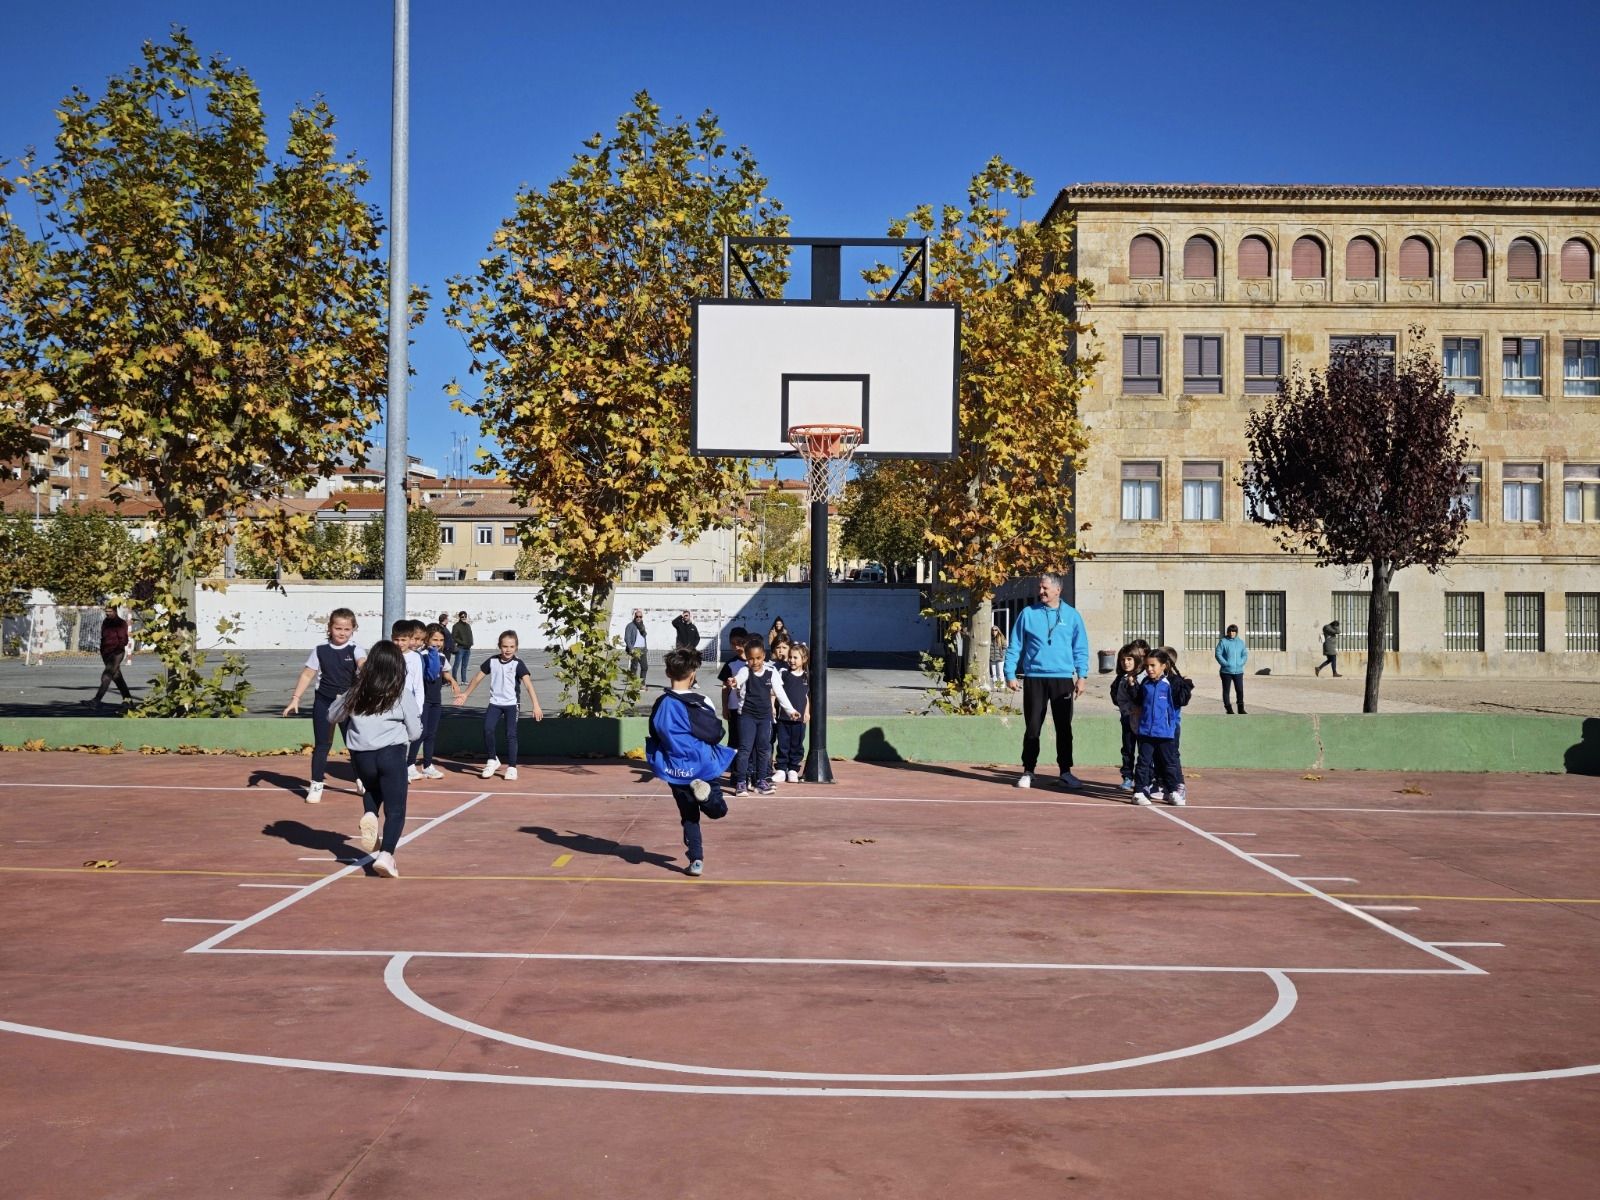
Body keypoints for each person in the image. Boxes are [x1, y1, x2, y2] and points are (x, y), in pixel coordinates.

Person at [331, 640, 421, 879]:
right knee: (396, 809)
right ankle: (386, 855)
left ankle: (370, 813)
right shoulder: (400, 693)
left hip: (362, 757)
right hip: (391, 753)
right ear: (396, 666)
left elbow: (332, 715)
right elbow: (416, 730)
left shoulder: (357, 690)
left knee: (373, 786)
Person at [645, 648, 736, 877]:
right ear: (693, 674)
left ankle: (696, 860)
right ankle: (707, 799)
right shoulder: (700, 702)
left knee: (688, 816)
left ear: (667, 672)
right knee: (718, 811)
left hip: (675, 769)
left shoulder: (661, 703)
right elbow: (715, 733)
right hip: (702, 766)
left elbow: (654, 733)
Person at [1002, 572, 1091, 790]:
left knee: (1064, 728)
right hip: (1035, 678)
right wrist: (1010, 673)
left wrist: (1082, 676)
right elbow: (1015, 645)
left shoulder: (1072, 616)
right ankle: (1028, 771)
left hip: (1062, 679)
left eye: (1045, 588)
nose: (1040, 592)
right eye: (1040, 588)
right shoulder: (1027, 614)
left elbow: (1081, 648)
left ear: (1058, 590)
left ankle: (1066, 772)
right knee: (1033, 727)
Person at [283, 607, 367, 803]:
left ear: (353, 629)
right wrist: (296, 698)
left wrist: (366, 672)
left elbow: (363, 663)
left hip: (348, 703)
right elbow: (307, 674)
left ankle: (362, 779)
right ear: (330, 628)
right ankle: (316, 784)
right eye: (338, 628)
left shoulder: (356, 649)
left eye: (347, 629)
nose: (342, 633)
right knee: (322, 744)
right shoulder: (320, 650)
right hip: (324, 702)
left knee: (355, 744)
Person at [454, 629, 544, 780]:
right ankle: (492, 760)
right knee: (487, 729)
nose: (507, 650)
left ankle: (512, 767)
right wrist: (465, 694)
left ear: (516, 648)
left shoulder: (518, 664)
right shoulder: (492, 661)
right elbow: (477, 678)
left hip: (511, 704)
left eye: (511, 647)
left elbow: (528, 685)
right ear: (499, 646)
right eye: (504, 646)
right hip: (495, 703)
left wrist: (536, 705)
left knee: (511, 735)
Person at [729, 638, 798, 795]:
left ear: (764, 656)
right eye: (751, 658)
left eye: (758, 658)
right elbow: (737, 680)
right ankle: (741, 782)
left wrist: (791, 710)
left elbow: (780, 694)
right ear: (746, 657)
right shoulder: (744, 671)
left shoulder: (771, 672)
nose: (755, 662)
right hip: (747, 716)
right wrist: (733, 682)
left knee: (764, 749)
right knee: (745, 749)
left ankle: (761, 781)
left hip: (764, 717)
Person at [1130, 646, 1191, 807]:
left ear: (1163, 666)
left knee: (1169, 763)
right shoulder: (1145, 683)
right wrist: (1132, 686)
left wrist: (1186, 686)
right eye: (1147, 666)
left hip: (1165, 733)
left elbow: (1182, 700)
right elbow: (1138, 701)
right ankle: (1140, 792)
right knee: (1143, 763)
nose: (1149, 669)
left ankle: (1173, 792)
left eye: (1153, 666)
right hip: (1146, 732)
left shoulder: (1171, 683)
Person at [408, 623, 464, 780]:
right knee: (421, 733)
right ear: (427, 639)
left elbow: (445, 671)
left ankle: (427, 765)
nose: (438, 643)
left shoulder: (441, 656)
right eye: (434, 639)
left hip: (435, 700)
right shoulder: (422, 655)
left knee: (431, 734)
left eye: (441, 640)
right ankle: (410, 764)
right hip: (423, 700)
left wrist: (452, 680)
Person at [1109, 642, 1147, 792]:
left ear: (1137, 660)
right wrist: (1125, 709)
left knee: (1145, 751)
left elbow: (1141, 697)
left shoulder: (1143, 677)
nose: (1126, 662)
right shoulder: (1120, 678)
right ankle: (1127, 777)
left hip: (1143, 720)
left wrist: (1132, 686)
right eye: (1123, 660)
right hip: (1127, 719)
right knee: (1127, 749)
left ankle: (1145, 779)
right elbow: (1114, 695)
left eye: (1130, 659)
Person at [774, 642, 811, 784]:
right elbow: (775, 693)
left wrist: (807, 712)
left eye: (795, 657)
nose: (791, 660)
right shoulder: (783, 674)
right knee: (783, 744)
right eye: (790, 657)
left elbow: (807, 696)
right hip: (783, 718)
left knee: (797, 744)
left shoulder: (806, 677)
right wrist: (773, 707)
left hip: (799, 719)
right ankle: (781, 769)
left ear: (804, 659)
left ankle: (793, 769)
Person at [87, 601, 134, 707]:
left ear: (115, 611)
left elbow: (124, 640)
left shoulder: (121, 623)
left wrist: (117, 651)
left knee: (106, 675)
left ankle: (96, 701)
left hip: (116, 653)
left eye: (110, 611)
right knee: (117, 678)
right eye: (106, 611)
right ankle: (129, 701)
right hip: (106, 653)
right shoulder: (105, 622)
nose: (107, 613)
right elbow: (103, 637)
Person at [716, 627, 749, 759]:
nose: (736, 646)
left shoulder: (755, 662)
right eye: (732, 643)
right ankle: (733, 763)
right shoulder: (730, 664)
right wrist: (725, 707)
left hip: (750, 707)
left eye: (739, 642)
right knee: (734, 736)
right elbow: (725, 688)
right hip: (734, 707)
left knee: (748, 736)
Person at [1214, 624, 1249, 714]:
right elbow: (1218, 654)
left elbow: (1244, 654)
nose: (1231, 633)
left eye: (1233, 631)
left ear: (1236, 632)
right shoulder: (1223, 642)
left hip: (1238, 671)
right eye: (1230, 631)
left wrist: (1241, 662)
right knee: (1226, 690)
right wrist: (1226, 664)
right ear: (1227, 632)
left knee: (1240, 690)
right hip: (1226, 672)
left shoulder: (1240, 642)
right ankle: (1228, 709)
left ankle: (1241, 708)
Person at [624, 608, 649, 683]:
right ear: (635, 617)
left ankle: (642, 683)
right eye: (637, 616)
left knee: (645, 667)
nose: (638, 618)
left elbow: (644, 637)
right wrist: (631, 649)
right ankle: (633, 683)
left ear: (642, 617)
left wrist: (646, 648)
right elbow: (627, 638)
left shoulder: (642, 626)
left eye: (640, 617)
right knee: (634, 667)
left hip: (642, 649)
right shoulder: (630, 625)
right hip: (635, 649)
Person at [450, 612, 474, 681]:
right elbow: (454, 637)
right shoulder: (456, 626)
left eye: (465, 616)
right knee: (456, 665)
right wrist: (462, 642)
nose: (464, 618)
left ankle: (464, 680)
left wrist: (471, 642)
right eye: (462, 617)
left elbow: (470, 635)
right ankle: (454, 680)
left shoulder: (468, 625)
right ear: (459, 617)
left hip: (468, 649)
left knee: (464, 666)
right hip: (461, 648)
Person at [988, 623, 1008, 689]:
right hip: (992, 658)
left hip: (1000, 658)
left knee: (1000, 673)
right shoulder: (989, 638)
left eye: (996, 630)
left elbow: (1005, 647)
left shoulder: (1001, 637)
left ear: (998, 630)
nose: (994, 631)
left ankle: (1002, 686)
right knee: (994, 674)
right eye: (993, 630)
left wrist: (1002, 654)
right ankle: (995, 687)